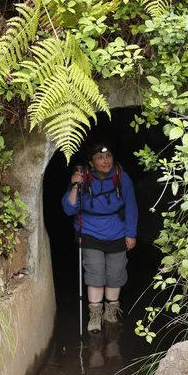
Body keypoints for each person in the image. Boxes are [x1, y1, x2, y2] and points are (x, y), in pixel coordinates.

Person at [62, 142, 138, 333]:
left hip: (117, 231)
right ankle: (95, 315)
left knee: (116, 272)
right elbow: (69, 208)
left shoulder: (121, 176)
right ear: (91, 162)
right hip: (89, 231)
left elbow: (131, 205)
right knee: (95, 272)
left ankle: (111, 311)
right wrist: (74, 186)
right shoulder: (83, 177)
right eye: (100, 158)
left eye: (109, 156)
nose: (106, 161)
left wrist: (131, 233)